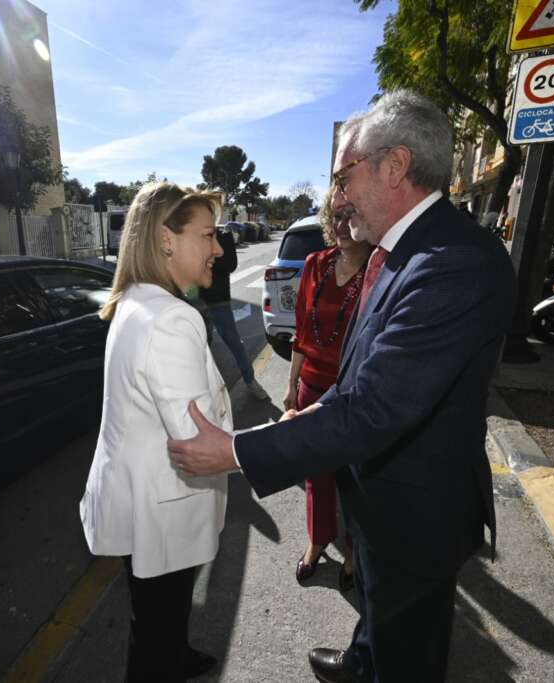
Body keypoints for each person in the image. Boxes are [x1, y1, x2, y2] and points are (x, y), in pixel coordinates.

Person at [167, 89, 516, 682]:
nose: (338, 197)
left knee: (407, 649)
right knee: (380, 608)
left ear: (395, 166)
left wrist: (235, 451)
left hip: (416, 512)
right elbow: (362, 372)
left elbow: (377, 408)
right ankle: (362, 660)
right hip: (382, 500)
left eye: (344, 176)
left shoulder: (451, 262)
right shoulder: (401, 251)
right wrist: (312, 410)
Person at [79, 182, 229, 682]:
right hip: (162, 509)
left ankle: (176, 655)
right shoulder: (171, 318)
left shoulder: (134, 301)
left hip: (140, 500)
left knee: (159, 615)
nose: (218, 249)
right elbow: (199, 441)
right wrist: (284, 436)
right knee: (155, 634)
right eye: (208, 235)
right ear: (167, 238)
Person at [283, 189, 370, 590]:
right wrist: (291, 388)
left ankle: (353, 551)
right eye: (335, 216)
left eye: (350, 214)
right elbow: (301, 331)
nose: (342, 225)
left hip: (354, 393)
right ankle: (318, 542)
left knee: (353, 478)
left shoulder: (379, 268)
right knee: (317, 476)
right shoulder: (315, 263)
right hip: (311, 386)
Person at [199, 224, 269, 399]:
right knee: (199, 347)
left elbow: (231, 264)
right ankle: (205, 389)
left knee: (234, 343)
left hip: (218, 300)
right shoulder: (193, 235)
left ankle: (250, 380)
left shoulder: (224, 236)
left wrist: (207, 260)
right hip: (195, 300)